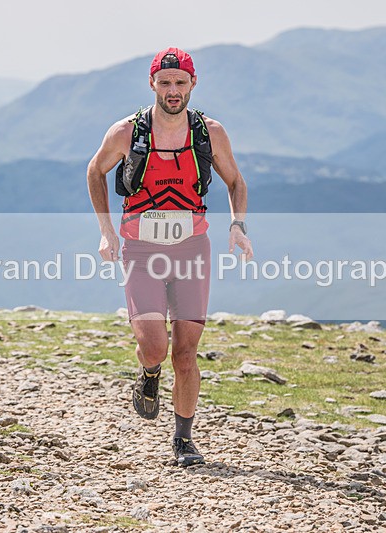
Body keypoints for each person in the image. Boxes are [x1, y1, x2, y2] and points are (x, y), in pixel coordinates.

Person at [86, 47, 253, 467]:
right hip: (140, 248)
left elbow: (235, 182)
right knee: (155, 347)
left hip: (192, 249)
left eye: (181, 82)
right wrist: (107, 231)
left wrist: (238, 226)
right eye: (165, 83)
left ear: (193, 84)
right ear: (152, 85)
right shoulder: (127, 133)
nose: (173, 91)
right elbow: (95, 171)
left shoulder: (209, 134)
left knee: (186, 351)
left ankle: (183, 439)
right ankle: (148, 373)